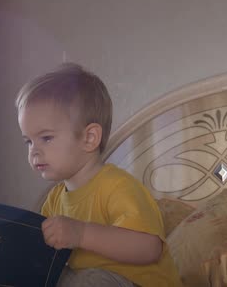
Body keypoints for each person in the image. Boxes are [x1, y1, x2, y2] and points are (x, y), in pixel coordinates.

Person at [15, 63, 183, 287]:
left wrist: (81, 234)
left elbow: (149, 248)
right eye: (28, 141)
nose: (34, 151)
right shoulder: (54, 200)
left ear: (89, 138)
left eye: (46, 138)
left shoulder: (117, 186)